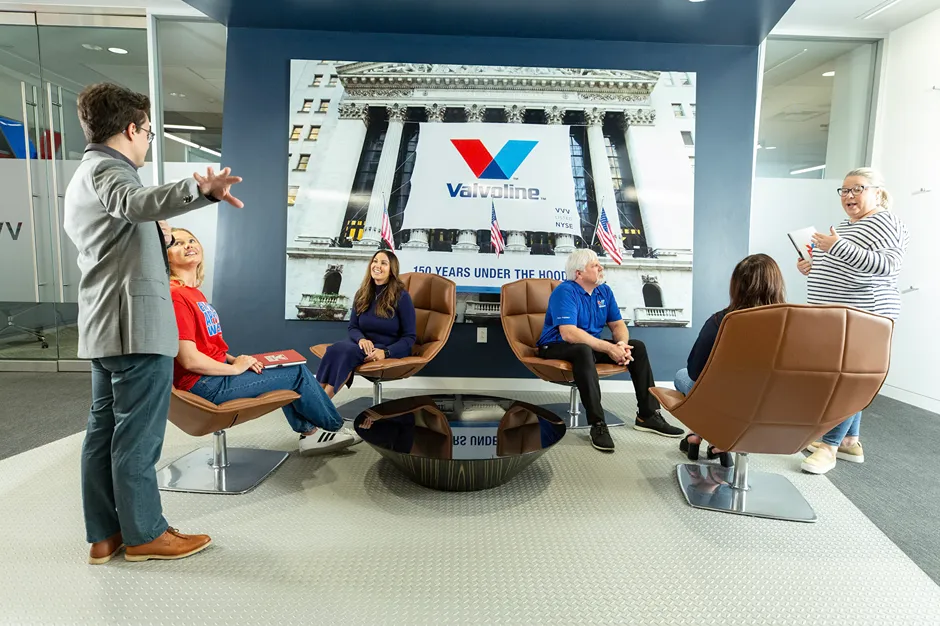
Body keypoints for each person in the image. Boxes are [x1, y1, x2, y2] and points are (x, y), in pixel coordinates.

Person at [63, 82, 242, 564]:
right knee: (136, 439)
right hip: (136, 328)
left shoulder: (84, 174)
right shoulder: (109, 171)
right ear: (131, 128)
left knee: (103, 434)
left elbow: (122, 229)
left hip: (105, 326)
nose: (147, 142)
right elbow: (131, 203)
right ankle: (145, 534)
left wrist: (153, 231)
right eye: (147, 132)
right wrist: (199, 190)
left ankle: (105, 534)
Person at [167, 228, 360, 455]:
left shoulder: (193, 293)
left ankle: (311, 434)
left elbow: (207, 345)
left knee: (284, 366)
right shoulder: (176, 295)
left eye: (191, 240)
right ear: (165, 256)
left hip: (215, 375)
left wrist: (235, 359)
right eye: (178, 243)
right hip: (204, 385)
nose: (188, 245)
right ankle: (333, 428)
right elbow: (189, 359)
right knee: (296, 373)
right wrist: (236, 369)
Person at [797, 167, 909, 475]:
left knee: (849, 380)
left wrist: (836, 248)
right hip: (837, 317)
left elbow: (888, 266)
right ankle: (849, 440)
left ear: (877, 192)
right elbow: (846, 265)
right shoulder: (846, 226)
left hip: (865, 315)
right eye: (844, 190)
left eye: (857, 189)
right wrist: (812, 266)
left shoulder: (884, 221)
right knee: (847, 377)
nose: (849, 196)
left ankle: (830, 446)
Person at [536, 248, 684, 452]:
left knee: (637, 347)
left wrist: (621, 345)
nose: (601, 268)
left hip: (587, 346)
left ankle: (648, 415)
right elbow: (569, 333)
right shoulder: (565, 291)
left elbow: (617, 325)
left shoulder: (604, 291)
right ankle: (598, 424)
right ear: (579, 273)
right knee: (582, 350)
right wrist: (609, 348)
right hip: (553, 346)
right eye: (594, 265)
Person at [674, 254, 788, 467]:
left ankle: (698, 433)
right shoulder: (792, 325)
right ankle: (719, 441)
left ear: (736, 286)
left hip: (724, 401)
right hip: (771, 405)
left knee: (682, 377)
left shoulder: (721, 321)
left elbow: (694, 371)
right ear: (776, 285)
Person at [316, 250, 417, 398]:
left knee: (347, 353)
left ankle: (322, 405)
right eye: (375, 261)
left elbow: (410, 337)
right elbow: (353, 327)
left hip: (388, 346)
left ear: (392, 270)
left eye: (384, 263)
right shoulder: (362, 293)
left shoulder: (402, 296)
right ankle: (316, 400)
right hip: (363, 344)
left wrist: (386, 352)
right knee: (334, 349)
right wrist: (361, 339)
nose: (377, 265)